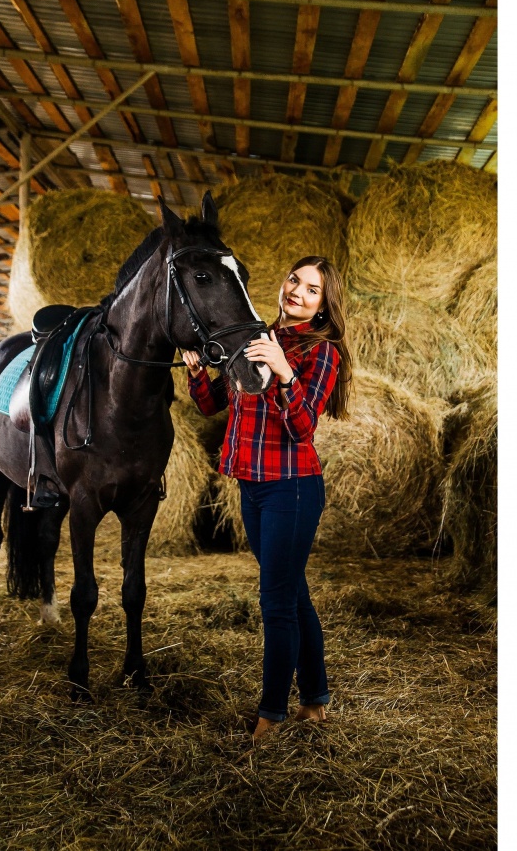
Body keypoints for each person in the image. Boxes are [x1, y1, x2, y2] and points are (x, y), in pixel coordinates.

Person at [185, 255, 352, 741]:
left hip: (292, 488)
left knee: (276, 602)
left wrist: (284, 372)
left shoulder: (321, 353)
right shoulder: (255, 336)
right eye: (294, 280)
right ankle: (316, 700)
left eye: (312, 289)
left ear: (323, 306)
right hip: (252, 487)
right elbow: (213, 404)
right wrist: (197, 371)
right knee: (293, 594)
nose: (297, 291)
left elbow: (302, 428)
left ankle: (271, 715)